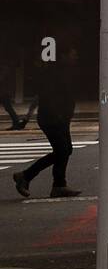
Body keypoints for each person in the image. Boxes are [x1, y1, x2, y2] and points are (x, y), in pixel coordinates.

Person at [12, 47, 81, 198]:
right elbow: (47, 95)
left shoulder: (65, 71)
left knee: (65, 150)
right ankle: (30, 177)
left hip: (59, 118)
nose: (75, 56)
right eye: (72, 53)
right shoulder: (56, 72)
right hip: (52, 118)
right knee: (63, 150)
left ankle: (56, 184)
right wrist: (59, 115)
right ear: (63, 55)